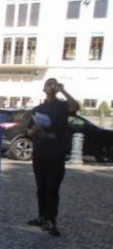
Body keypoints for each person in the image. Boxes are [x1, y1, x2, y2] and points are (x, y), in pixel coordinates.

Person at [27, 78, 79, 237]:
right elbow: (28, 132)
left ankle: (51, 220)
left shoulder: (62, 106)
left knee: (52, 189)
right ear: (44, 88)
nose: (52, 85)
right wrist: (34, 130)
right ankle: (42, 216)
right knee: (41, 188)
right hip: (40, 152)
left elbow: (75, 106)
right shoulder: (37, 109)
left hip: (56, 153)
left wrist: (63, 90)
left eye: (54, 83)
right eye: (49, 83)